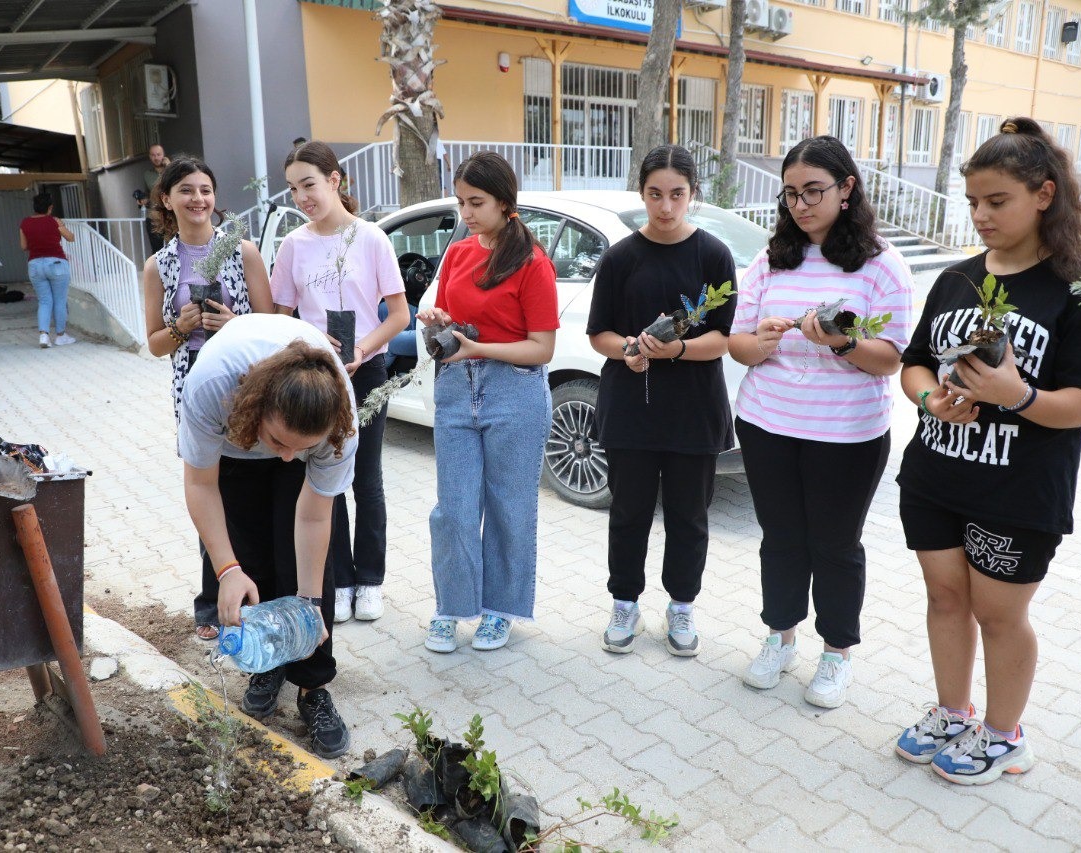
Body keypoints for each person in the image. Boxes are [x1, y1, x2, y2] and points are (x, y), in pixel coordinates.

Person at [893, 118, 1081, 783]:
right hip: (934, 474)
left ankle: (1002, 733)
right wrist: (933, 400)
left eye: (997, 202)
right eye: (973, 203)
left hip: (1018, 490)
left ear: (1044, 194)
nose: (981, 216)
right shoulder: (956, 279)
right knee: (943, 599)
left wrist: (1015, 394)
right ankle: (953, 711)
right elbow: (913, 364)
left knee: (998, 613)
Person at [728, 135, 913, 707]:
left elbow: (892, 356)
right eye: (790, 195)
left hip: (847, 435)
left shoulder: (881, 264)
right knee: (781, 538)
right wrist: (757, 344)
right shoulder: (770, 258)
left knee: (834, 544)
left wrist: (841, 341)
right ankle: (779, 637)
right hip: (768, 424)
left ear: (847, 189)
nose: (801, 205)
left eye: (813, 191)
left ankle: (835, 653)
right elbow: (737, 342)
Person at [178, 312, 357, 759]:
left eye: (302, 446)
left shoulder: (339, 419)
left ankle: (313, 685)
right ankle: (269, 665)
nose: (287, 457)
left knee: (310, 573)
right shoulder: (213, 386)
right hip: (234, 447)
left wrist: (311, 605)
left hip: (289, 428)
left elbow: (315, 519)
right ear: (259, 407)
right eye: (280, 441)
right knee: (250, 556)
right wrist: (227, 569)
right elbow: (200, 485)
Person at [586, 144, 738, 658]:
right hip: (631, 407)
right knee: (628, 512)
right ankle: (624, 601)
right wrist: (628, 349)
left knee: (689, 516)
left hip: (694, 411)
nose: (665, 206)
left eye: (677, 194)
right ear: (642, 193)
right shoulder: (620, 258)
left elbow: (722, 339)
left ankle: (682, 605)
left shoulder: (713, 255)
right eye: (655, 194)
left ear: (693, 195)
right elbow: (598, 334)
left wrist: (676, 350)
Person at [419, 151, 558, 653]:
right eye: (461, 202)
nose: (467, 213)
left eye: (476, 202)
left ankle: (500, 611)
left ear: (504, 201)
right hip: (456, 388)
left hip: (514, 392)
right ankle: (451, 608)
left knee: (509, 508)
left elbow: (542, 348)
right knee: (453, 508)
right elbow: (453, 314)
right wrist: (436, 316)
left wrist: (479, 349)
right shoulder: (458, 253)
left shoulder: (532, 262)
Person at [272, 141, 408, 624]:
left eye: (309, 184)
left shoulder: (372, 238)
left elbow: (399, 314)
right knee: (327, 479)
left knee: (366, 479)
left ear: (335, 179)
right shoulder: (293, 245)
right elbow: (280, 315)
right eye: (293, 189)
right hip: (315, 376)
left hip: (365, 371)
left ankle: (370, 579)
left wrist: (361, 349)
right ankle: (341, 580)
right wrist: (311, 345)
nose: (301, 196)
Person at [143, 155, 275, 640]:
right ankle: (210, 602)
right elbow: (154, 344)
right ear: (166, 200)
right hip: (190, 382)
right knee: (206, 485)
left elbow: (270, 324)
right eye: (186, 191)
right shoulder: (159, 265)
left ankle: (255, 588)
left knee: (245, 486)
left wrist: (232, 325)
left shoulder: (243, 251)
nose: (198, 199)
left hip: (246, 382)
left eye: (205, 189)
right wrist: (182, 328)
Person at [20, 192, 77, 348]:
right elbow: (71, 238)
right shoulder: (54, 221)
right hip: (57, 263)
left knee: (44, 301)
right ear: (50, 208)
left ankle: (44, 336)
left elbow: (24, 246)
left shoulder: (25, 223)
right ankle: (60, 336)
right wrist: (60, 225)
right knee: (60, 301)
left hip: (35, 265)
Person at [141, 144, 171, 254]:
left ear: (163, 155)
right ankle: (158, 271)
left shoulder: (171, 171)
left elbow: (176, 185)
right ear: (150, 157)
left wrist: (169, 166)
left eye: (158, 154)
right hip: (154, 217)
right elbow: (148, 195)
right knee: (157, 252)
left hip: (170, 215)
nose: (156, 157)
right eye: (153, 155)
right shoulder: (147, 175)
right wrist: (143, 201)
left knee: (174, 247)